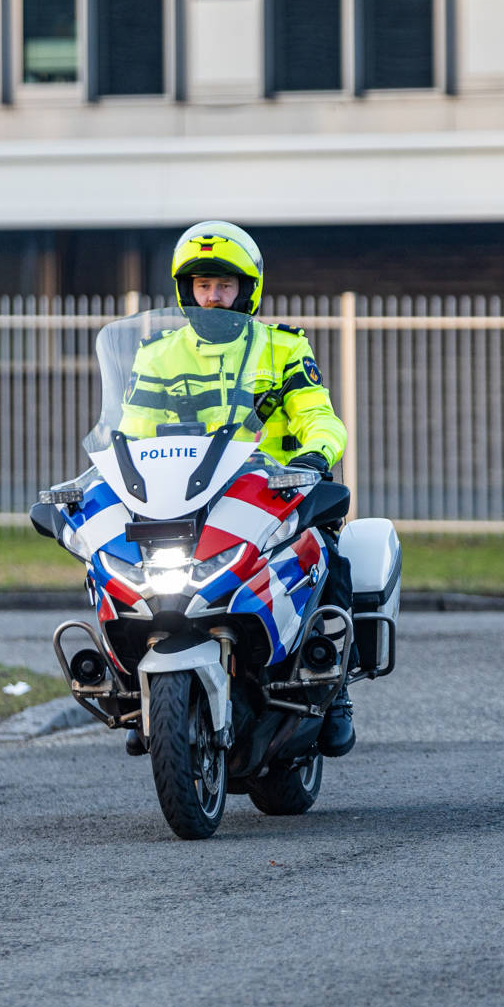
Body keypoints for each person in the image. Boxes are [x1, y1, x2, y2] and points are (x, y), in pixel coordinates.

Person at [118, 220, 358, 758]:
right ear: (186, 290)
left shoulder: (282, 348)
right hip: (185, 497)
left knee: (328, 557)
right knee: (125, 565)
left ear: (246, 290)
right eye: (202, 285)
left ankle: (333, 687)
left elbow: (318, 416)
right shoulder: (158, 355)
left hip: (273, 492)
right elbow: (131, 429)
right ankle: (139, 688)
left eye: (224, 285)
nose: (212, 296)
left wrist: (314, 456)